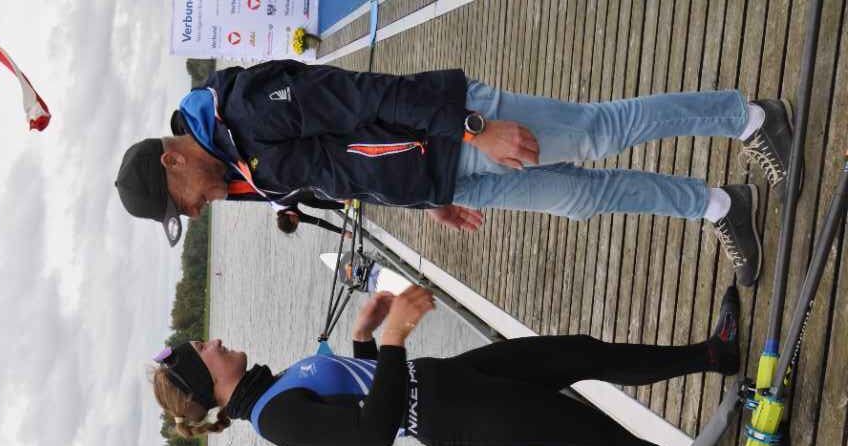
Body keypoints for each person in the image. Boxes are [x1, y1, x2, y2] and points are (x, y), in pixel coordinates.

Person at [117, 61, 794, 286]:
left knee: (597, 132)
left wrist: (474, 127)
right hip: (444, 179)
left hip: (458, 132)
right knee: (583, 198)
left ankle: (751, 118)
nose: (195, 211)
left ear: (172, 160)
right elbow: (342, 173)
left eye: (181, 203)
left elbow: (368, 95)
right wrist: (425, 201)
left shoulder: (246, 108)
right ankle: (719, 205)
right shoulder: (236, 167)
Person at [149, 286, 787, 446]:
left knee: (579, 352)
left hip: (453, 379)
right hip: (461, 418)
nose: (216, 340)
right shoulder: (276, 421)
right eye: (205, 348)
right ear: (206, 381)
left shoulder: (271, 389)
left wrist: (365, 339)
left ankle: (713, 356)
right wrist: (394, 341)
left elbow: (363, 395)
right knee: (605, 441)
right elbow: (375, 431)